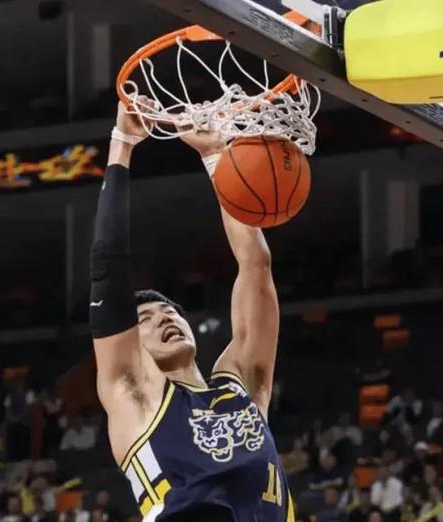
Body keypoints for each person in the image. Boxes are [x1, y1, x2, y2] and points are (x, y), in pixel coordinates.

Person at [89, 99, 292, 521]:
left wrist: (216, 158)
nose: (163, 317)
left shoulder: (242, 387)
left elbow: (256, 267)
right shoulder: (136, 394)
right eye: (144, 320)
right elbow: (108, 266)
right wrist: (122, 143)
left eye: (169, 312)